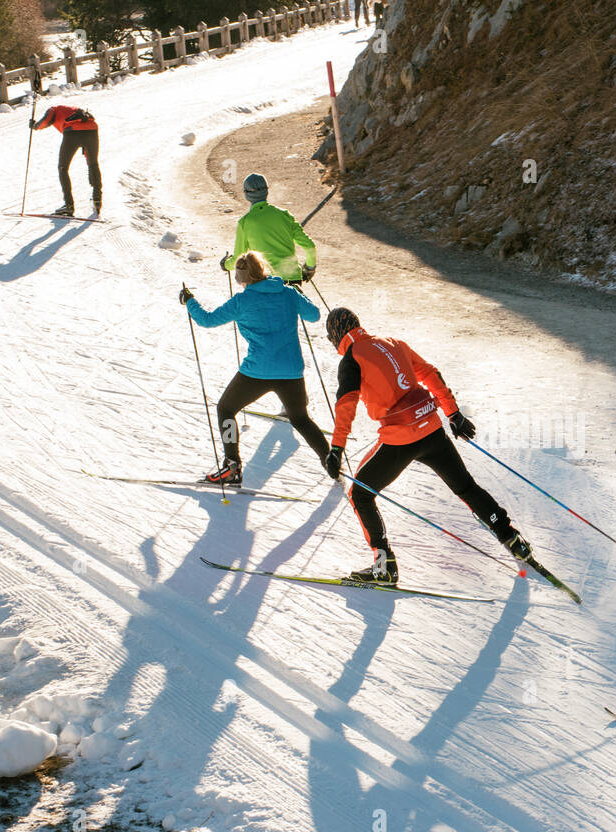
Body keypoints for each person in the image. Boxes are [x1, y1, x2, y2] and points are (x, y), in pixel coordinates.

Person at [321, 307, 535, 584]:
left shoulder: (351, 359)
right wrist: (453, 414)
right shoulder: (393, 343)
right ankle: (513, 539)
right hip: (432, 428)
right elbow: (430, 373)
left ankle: (384, 565)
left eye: (330, 338)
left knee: (360, 494)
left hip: (400, 439)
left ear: (336, 335)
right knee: (466, 487)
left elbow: (346, 405)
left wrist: (337, 449)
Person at [180, 251, 329, 485]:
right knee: (300, 418)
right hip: (291, 371)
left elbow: (207, 320)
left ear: (242, 278)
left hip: (256, 371)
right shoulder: (288, 293)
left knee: (226, 410)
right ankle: (329, 459)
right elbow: (314, 315)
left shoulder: (242, 301)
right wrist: (299, 294)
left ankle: (232, 466)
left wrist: (190, 302)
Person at [220, 174, 317, 285]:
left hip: (266, 281)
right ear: (267, 191)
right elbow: (309, 246)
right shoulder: (285, 215)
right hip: (292, 279)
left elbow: (238, 259)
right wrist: (309, 268)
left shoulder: (245, 222)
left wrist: (225, 264)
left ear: (246, 194)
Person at [30, 104, 101, 218]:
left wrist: (35, 126)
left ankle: (69, 206)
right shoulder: (76, 111)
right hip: (92, 130)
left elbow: (47, 120)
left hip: (72, 132)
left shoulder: (54, 109)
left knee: (63, 168)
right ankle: (97, 199)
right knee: (93, 164)